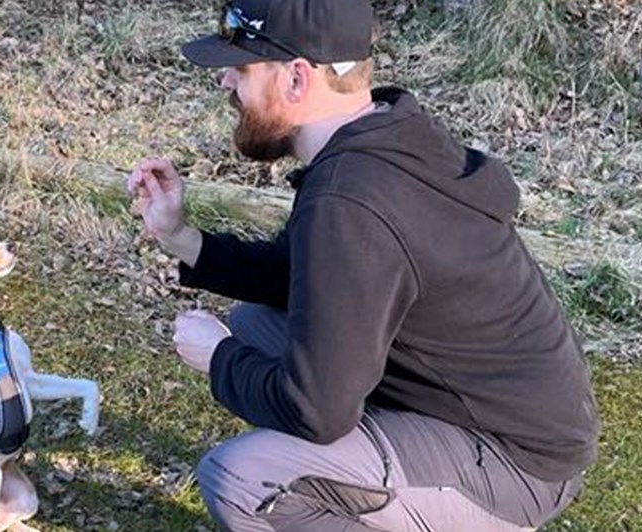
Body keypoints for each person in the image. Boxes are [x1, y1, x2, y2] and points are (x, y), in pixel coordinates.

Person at [125, 0, 601, 530]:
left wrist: (218, 360)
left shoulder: (350, 198)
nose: (225, 86)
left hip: (517, 464)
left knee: (241, 479)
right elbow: (307, 275)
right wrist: (181, 236)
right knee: (255, 326)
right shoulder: (386, 136)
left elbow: (316, 410)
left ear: (297, 80)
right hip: (497, 416)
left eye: (241, 69)